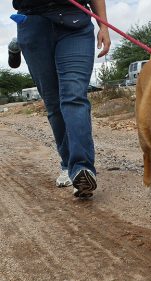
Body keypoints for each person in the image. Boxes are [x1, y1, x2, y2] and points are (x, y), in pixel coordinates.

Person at [12, 0, 111, 198]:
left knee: (74, 96)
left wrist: (104, 26)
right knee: (53, 102)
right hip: (33, 24)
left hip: (74, 23)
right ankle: (68, 163)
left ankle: (82, 169)